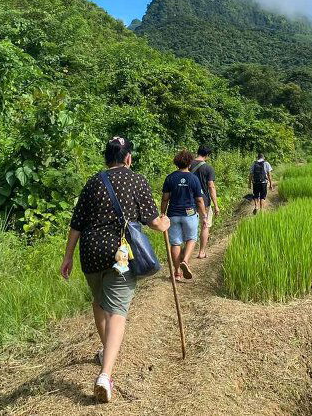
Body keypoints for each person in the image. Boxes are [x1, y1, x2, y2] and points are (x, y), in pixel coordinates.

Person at [61, 137, 170, 404]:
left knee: (100, 303)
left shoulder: (93, 182)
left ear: (106, 157)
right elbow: (153, 221)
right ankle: (105, 374)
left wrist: (68, 257)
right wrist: (164, 223)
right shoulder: (137, 180)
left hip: (90, 252)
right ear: (128, 157)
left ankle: (104, 350)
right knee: (118, 312)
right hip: (120, 253)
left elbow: (76, 223)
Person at [161, 149, 207, 281]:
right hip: (190, 214)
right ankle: (185, 261)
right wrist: (203, 215)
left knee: (175, 243)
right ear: (189, 163)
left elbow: (165, 198)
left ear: (177, 162)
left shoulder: (170, 178)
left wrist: (163, 213)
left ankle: (176, 273)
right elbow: (199, 200)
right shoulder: (193, 179)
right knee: (191, 239)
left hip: (173, 214)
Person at [189, 145, 219, 259]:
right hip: (204, 201)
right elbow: (211, 186)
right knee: (205, 225)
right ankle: (201, 252)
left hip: (189, 200)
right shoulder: (208, 168)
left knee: (190, 226)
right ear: (208, 155)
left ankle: (185, 252)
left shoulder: (188, 164)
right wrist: (216, 205)